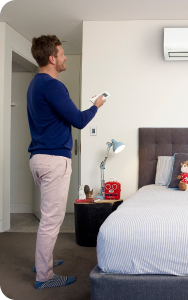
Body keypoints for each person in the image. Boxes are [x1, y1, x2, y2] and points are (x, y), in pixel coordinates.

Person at [27, 35, 106, 289]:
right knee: (52, 220)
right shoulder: (53, 86)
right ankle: (44, 276)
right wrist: (96, 106)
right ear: (51, 58)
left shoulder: (35, 84)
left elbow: (62, 115)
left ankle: (43, 262)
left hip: (39, 158)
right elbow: (80, 121)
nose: (64, 58)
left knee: (48, 217)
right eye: (61, 54)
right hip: (53, 160)